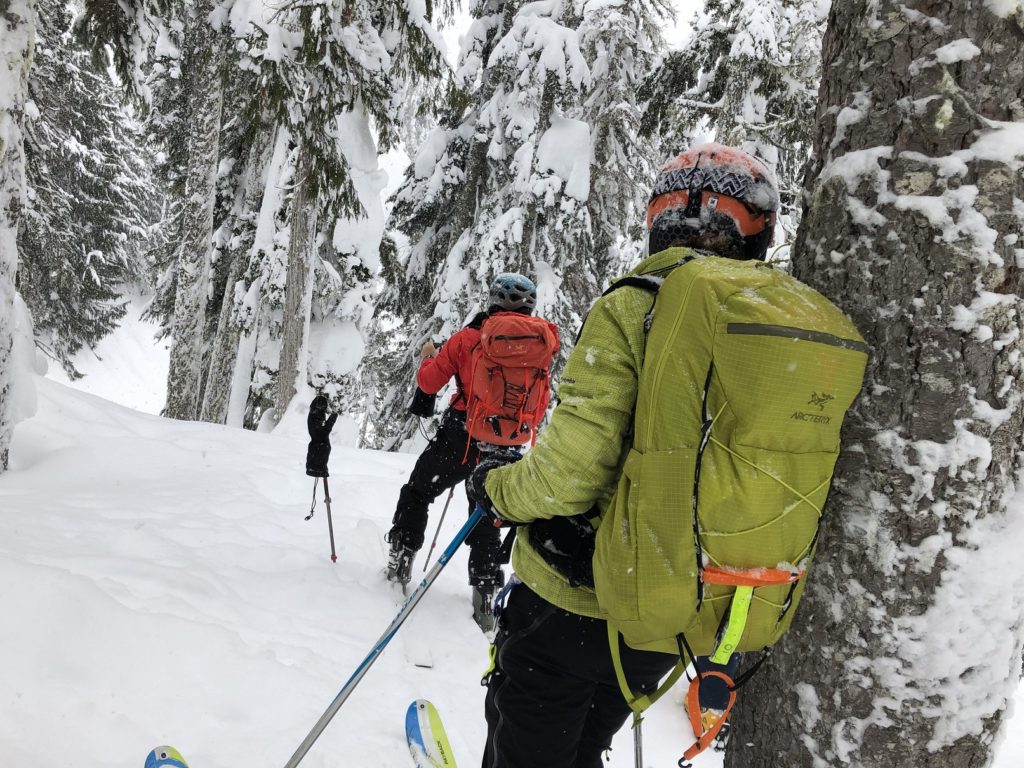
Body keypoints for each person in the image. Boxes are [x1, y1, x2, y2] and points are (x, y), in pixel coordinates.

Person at [466, 144, 781, 767]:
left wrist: (496, 487)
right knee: (584, 742)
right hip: (679, 612)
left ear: (661, 220)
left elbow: (568, 476)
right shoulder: (771, 319)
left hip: (574, 596)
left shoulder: (638, 302)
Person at [386, 273, 545, 633]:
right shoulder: (538, 345)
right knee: (487, 514)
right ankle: (485, 596)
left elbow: (429, 382)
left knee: (418, 491)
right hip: (506, 445)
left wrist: (429, 358)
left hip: (462, 438)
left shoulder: (470, 338)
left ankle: (402, 558)